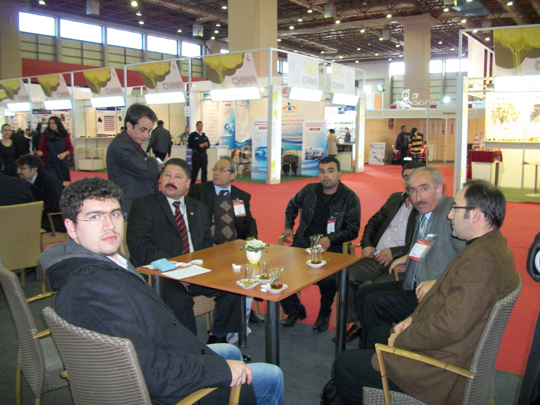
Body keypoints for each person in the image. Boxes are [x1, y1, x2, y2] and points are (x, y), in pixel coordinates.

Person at [41, 177, 284, 405]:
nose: (109, 226)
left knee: (231, 351)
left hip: (160, 350)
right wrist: (221, 370)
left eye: (114, 214)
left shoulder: (100, 263)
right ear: (71, 227)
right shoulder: (92, 290)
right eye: (94, 217)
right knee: (271, 375)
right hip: (162, 389)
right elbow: (152, 373)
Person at [333, 179, 520, 405]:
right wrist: (411, 321)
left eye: (456, 208)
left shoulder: (483, 261)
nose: (450, 215)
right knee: (377, 335)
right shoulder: (489, 247)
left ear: (475, 215)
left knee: (344, 365)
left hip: (440, 371)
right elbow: (452, 309)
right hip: (450, 350)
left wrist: (403, 338)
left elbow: (450, 327)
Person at [127, 158, 244, 344]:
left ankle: (219, 339)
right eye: (167, 175)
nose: (170, 180)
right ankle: (190, 350)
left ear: (188, 183)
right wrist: (175, 270)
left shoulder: (199, 209)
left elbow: (206, 247)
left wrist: (211, 268)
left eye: (178, 177)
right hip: (161, 273)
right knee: (179, 299)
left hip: (195, 270)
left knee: (232, 286)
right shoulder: (144, 205)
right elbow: (139, 246)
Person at [356, 166, 465, 349]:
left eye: (424, 189)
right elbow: (428, 241)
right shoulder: (423, 211)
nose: (417, 197)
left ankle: (376, 350)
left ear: (439, 189)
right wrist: (409, 257)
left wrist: (437, 281)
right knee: (363, 294)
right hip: (413, 283)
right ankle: (378, 345)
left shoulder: (451, 215)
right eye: (412, 191)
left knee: (374, 302)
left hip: (434, 295)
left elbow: (469, 261)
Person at [339, 161, 423, 343]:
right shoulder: (395, 199)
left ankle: (379, 331)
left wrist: (394, 252)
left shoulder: (424, 207)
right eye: (406, 177)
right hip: (376, 257)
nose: (409, 182)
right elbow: (373, 222)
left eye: (414, 177)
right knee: (345, 274)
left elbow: (423, 242)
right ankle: (358, 323)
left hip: (400, 264)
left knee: (372, 290)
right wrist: (367, 244)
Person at [281, 156, 360, 331]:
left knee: (329, 278)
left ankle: (324, 314)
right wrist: (289, 226)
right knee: (281, 269)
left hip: (333, 246)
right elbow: (291, 206)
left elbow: (353, 229)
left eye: (330, 171)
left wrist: (330, 239)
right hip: (304, 241)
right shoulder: (309, 190)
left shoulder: (349, 197)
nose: (326, 175)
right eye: (322, 171)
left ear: (339, 174)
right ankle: (295, 309)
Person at [188, 155, 262, 328]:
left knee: (253, 266)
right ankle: (234, 313)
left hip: (235, 249)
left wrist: (250, 238)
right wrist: (207, 246)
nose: (216, 173)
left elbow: (249, 222)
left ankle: (246, 308)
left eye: (222, 170)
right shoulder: (198, 192)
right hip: (209, 250)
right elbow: (191, 224)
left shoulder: (241, 196)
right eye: (215, 169)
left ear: (233, 175)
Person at [106, 103, 161, 215]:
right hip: (130, 206)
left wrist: (149, 163)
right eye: (142, 130)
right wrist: (152, 161)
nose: (146, 135)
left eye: (149, 131)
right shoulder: (121, 146)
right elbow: (145, 171)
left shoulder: (132, 144)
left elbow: (150, 170)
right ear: (129, 125)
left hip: (140, 203)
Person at [16, 154, 65, 232]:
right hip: (40, 216)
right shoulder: (27, 182)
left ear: (34, 169)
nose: (18, 172)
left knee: (18, 226)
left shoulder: (49, 182)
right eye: (18, 168)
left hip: (53, 220)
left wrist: (34, 209)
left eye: (23, 169)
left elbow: (55, 206)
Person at [36, 116, 73, 182]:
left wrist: (64, 154)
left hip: (61, 162)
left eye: (54, 123)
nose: (52, 125)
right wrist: (40, 152)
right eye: (50, 123)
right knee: (52, 180)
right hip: (49, 163)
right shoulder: (45, 136)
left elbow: (70, 148)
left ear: (58, 123)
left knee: (60, 182)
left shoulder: (64, 135)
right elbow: (41, 149)